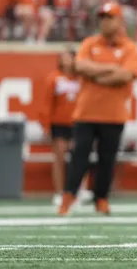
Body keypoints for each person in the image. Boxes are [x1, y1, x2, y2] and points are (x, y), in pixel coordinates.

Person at [58, 2, 137, 216]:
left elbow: (125, 75)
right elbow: (80, 66)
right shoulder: (89, 43)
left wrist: (95, 75)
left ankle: (101, 198)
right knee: (79, 156)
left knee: (107, 159)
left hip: (114, 114)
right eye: (102, 17)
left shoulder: (129, 47)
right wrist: (111, 69)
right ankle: (68, 196)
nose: (104, 22)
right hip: (86, 112)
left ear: (119, 20)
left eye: (109, 17)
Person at [41, 49, 93, 208]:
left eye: (69, 58)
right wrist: (46, 125)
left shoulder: (83, 79)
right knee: (59, 158)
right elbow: (47, 103)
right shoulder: (54, 78)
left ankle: (80, 190)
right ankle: (59, 192)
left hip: (78, 122)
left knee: (80, 157)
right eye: (63, 58)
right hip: (59, 123)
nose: (67, 61)